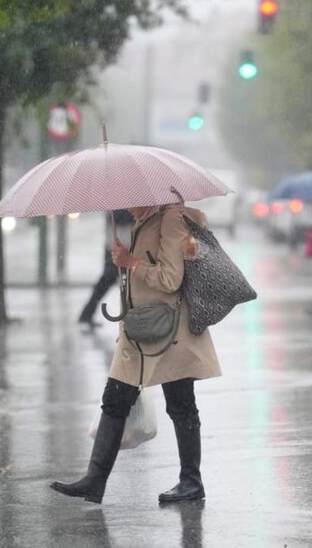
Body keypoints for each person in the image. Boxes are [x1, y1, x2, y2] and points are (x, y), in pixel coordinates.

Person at [51, 202, 221, 504]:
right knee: (114, 400)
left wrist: (131, 262)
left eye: (131, 201)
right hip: (139, 331)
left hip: (170, 331)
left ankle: (191, 482)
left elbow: (171, 278)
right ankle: (94, 480)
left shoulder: (169, 220)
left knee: (180, 404)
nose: (126, 207)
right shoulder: (143, 221)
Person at [78, 209, 135, 327]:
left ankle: (87, 314)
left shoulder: (117, 202)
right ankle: (87, 314)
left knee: (125, 283)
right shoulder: (118, 204)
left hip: (121, 246)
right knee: (108, 281)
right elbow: (121, 218)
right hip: (117, 247)